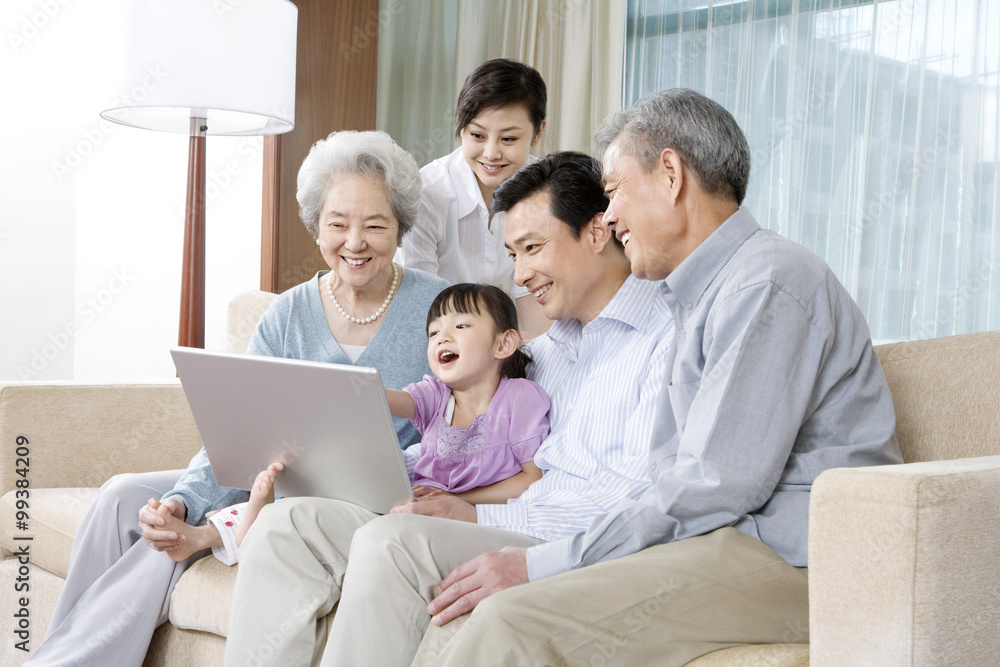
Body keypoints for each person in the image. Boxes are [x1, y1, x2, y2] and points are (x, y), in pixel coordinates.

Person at [406, 89, 905, 666]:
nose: (609, 215)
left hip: (800, 560)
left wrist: (537, 562)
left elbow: (713, 485)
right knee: (487, 606)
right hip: (726, 542)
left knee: (512, 617)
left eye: (614, 191)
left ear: (670, 174)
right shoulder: (695, 296)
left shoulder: (765, 282)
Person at [221, 151, 676, 667]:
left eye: (532, 248)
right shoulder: (540, 351)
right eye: (513, 254)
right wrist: (386, 476)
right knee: (288, 525)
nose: (521, 275)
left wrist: (475, 510)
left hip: (547, 532)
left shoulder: (665, 339)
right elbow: (463, 434)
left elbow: (638, 500)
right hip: (476, 511)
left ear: (597, 233)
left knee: (393, 543)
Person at [23, 130, 449, 667]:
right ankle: (60, 648)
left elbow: (460, 421)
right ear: (317, 226)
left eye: (375, 224)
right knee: (122, 496)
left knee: (171, 542)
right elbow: (235, 434)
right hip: (267, 474)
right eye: (337, 224)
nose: (354, 241)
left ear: (401, 227)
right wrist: (183, 499)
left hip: (350, 500)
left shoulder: (440, 308)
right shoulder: (287, 315)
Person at [176, 283, 550, 565]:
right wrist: (312, 386)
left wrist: (459, 501)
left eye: (462, 325)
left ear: (504, 344)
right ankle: (221, 531)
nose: (442, 338)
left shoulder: (520, 398)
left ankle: (232, 531)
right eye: (434, 332)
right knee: (314, 490)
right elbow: (376, 397)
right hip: (408, 501)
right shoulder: (436, 395)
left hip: (452, 517)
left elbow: (531, 478)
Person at [396, 58, 550, 336]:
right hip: (428, 333)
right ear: (461, 128)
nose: (491, 153)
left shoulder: (542, 191)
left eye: (508, 139)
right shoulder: (428, 195)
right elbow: (421, 307)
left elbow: (532, 299)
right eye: (477, 135)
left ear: (538, 132)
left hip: (484, 338)